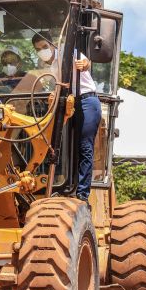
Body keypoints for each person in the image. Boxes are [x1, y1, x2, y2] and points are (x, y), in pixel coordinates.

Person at [31, 32, 97, 203]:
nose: (42, 51)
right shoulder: (49, 67)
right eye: (38, 49)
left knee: (84, 147)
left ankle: (82, 194)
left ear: (53, 44)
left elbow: (84, 62)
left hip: (86, 101)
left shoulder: (68, 54)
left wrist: (86, 64)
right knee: (62, 145)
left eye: (44, 47)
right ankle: (58, 186)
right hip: (69, 104)